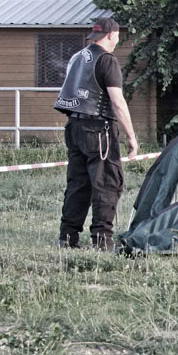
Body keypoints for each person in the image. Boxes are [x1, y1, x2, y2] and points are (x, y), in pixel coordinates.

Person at [53, 17, 139, 250]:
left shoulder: (77, 57)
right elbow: (117, 101)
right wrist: (131, 136)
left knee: (78, 183)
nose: (118, 38)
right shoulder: (107, 60)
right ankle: (102, 240)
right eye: (118, 34)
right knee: (107, 183)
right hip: (98, 128)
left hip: (74, 126)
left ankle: (67, 237)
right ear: (111, 35)